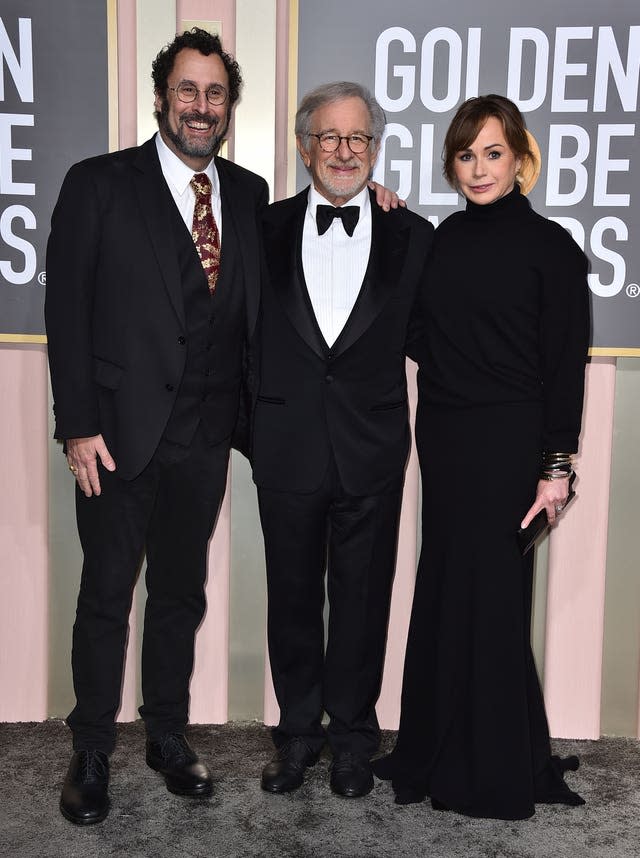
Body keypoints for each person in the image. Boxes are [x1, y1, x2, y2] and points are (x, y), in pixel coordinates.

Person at [45, 28, 268, 825]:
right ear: (161, 97)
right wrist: (77, 425)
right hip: (115, 437)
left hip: (205, 438)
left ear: (228, 105)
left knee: (180, 592)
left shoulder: (247, 193)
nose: (200, 107)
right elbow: (65, 314)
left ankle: (166, 735)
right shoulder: (98, 184)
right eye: (187, 90)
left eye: (214, 93)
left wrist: (380, 204)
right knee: (106, 595)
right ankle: (92, 749)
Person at [372, 95, 590, 820]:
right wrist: (394, 222)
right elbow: (414, 329)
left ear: (520, 157)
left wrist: (556, 468)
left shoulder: (554, 248)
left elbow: (564, 365)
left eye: (492, 153)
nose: (478, 168)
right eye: (465, 155)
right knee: (442, 588)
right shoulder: (441, 241)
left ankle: (493, 769)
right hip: (445, 436)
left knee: (493, 604)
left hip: (511, 445)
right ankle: (433, 745)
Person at [251, 82, 434, 798]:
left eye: (357, 138)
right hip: (286, 445)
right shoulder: (259, 228)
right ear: (303, 146)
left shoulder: (411, 234)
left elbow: (438, 339)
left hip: (373, 448)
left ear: (375, 148)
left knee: (364, 600)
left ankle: (355, 736)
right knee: (291, 598)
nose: (343, 151)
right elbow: (234, 337)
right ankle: (297, 734)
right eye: (328, 137)